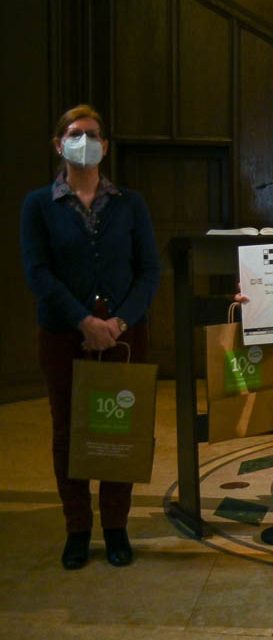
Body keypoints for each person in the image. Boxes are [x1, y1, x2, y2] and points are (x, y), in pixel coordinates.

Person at [20, 104, 161, 570]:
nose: (86, 140)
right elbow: (38, 272)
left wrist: (117, 323)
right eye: (76, 134)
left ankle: (116, 527)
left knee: (121, 429)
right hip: (64, 333)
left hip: (124, 335)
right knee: (69, 432)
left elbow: (148, 272)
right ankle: (77, 527)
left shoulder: (130, 203)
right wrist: (83, 321)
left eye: (94, 134)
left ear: (105, 145)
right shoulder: (39, 204)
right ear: (59, 144)